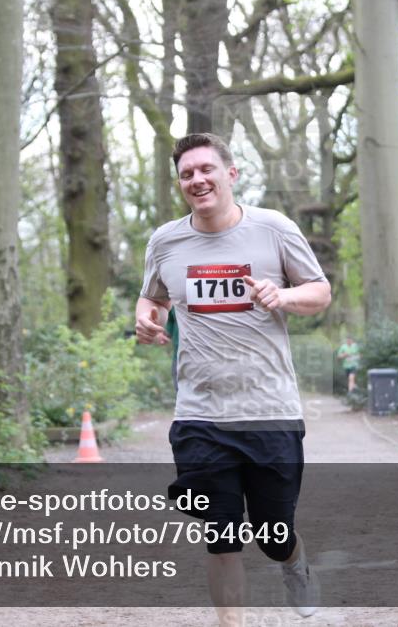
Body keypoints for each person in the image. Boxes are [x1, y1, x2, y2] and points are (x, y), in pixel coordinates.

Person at [135, 133, 331, 625]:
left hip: (270, 410)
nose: (197, 180)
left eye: (206, 169)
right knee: (220, 537)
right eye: (187, 174)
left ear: (231, 174)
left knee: (273, 535)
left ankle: (295, 564)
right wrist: (146, 318)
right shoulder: (166, 240)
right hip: (201, 413)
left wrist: (282, 297)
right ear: (180, 182)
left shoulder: (274, 229)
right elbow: (154, 297)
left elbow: (320, 292)